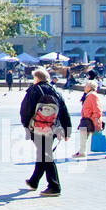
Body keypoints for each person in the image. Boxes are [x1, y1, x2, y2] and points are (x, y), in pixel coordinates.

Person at [21, 67, 71, 196]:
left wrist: (27, 125)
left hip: (38, 128)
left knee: (46, 155)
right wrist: (67, 130)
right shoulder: (56, 91)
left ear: (36, 78)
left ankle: (54, 186)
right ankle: (34, 181)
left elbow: (25, 110)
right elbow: (64, 111)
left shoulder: (34, 90)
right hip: (53, 128)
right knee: (44, 153)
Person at [72, 78, 106, 159]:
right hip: (89, 119)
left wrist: (96, 121)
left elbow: (97, 110)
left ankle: (82, 152)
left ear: (90, 87)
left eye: (86, 86)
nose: (84, 87)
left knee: (86, 135)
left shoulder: (92, 96)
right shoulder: (90, 95)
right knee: (89, 136)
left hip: (90, 120)